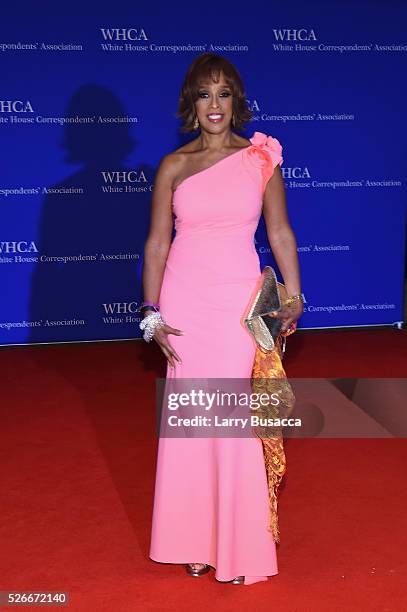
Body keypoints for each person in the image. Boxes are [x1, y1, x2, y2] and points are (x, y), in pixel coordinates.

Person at [140, 52, 304, 585]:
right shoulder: (173, 165)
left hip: (238, 305)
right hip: (186, 303)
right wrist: (151, 312)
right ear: (192, 102)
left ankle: (238, 544)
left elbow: (279, 232)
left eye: (224, 93)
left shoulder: (260, 159)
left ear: (237, 100)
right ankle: (191, 538)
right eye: (206, 94)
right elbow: (157, 244)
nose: (216, 104)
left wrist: (294, 293)